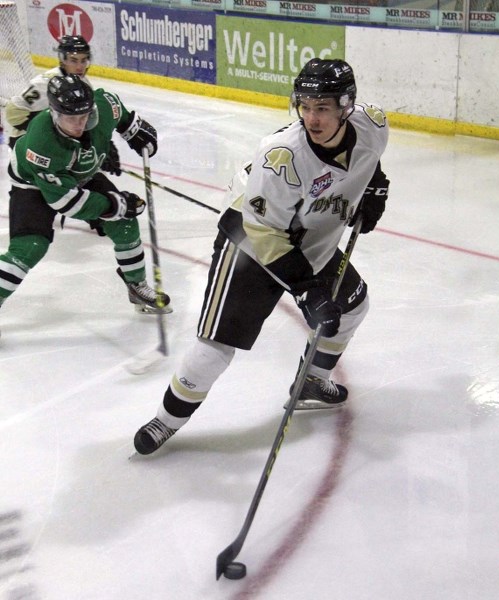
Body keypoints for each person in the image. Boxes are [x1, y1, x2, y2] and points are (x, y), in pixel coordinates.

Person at [133, 58, 390, 455]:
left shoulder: (372, 124)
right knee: (214, 350)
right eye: (304, 106)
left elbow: (366, 161)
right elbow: (265, 232)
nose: (312, 118)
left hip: (310, 235)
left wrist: (374, 188)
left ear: (346, 106)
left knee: (352, 307)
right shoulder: (282, 157)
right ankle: (167, 420)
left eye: (322, 107)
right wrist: (307, 290)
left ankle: (310, 381)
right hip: (251, 241)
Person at [0, 74, 171, 317]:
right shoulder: (42, 142)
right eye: (71, 118)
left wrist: (135, 129)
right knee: (30, 247)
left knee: (124, 223)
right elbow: (68, 202)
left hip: (81, 173)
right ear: (55, 113)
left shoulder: (104, 106)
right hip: (33, 184)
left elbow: (118, 111)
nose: (80, 124)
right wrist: (117, 203)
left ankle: (136, 285)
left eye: (84, 115)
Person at [5, 34, 120, 177]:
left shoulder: (82, 84)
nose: (80, 66)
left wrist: (105, 147)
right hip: (27, 143)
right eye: (74, 60)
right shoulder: (46, 82)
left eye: (83, 60)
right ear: (63, 59)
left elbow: (86, 121)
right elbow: (12, 111)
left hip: (61, 142)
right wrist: (40, 129)